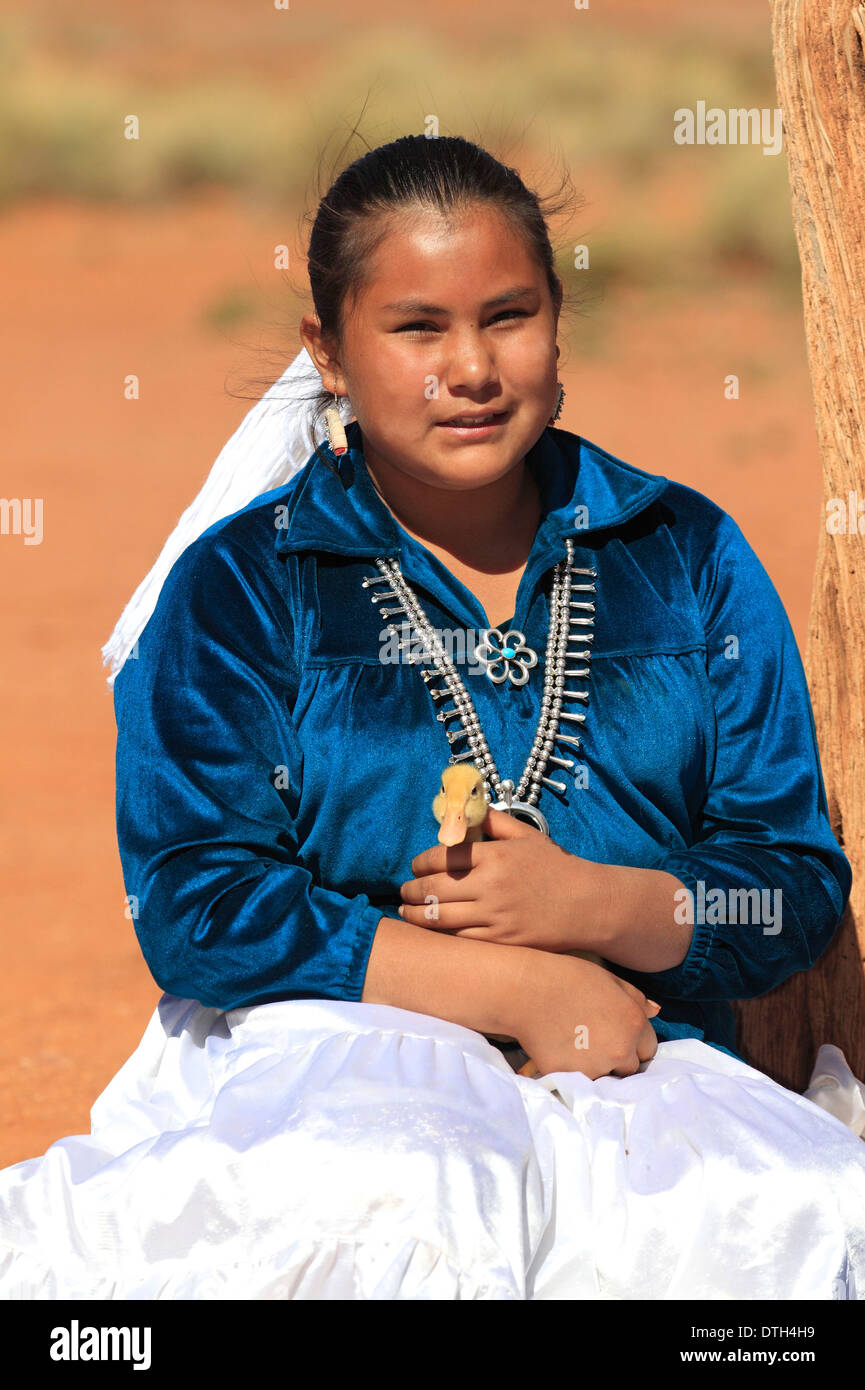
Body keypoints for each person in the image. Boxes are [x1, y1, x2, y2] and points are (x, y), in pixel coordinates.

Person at [2, 133, 865, 1301]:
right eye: (417, 328)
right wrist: (518, 989)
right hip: (334, 1061)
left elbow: (789, 881)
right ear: (331, 352)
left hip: (646, 1059)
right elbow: (199, 903)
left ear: (559, 326)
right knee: (401, 1202)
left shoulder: (685, 555)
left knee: (794, 1222)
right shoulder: (249, 584)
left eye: (508, 316)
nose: (471, 368)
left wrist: (599, 905)